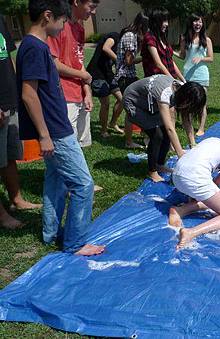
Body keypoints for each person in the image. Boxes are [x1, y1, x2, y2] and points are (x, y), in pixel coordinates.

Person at [18, 0, 104, 255]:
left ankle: (51, 231)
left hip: (56, 125)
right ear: (47, 16)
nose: (64, 25)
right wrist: (44, 135)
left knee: (55, 180)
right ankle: (76, 242)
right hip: (56, 130)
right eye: (62, 20)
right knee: (82, 184)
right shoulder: (34, 48)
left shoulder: (36, 46)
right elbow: (28, 95)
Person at [168, 131, 220, 249]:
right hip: (194, 178)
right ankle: (191, 232)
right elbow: (217, 183)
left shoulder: (213, 140)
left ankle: (180, 210)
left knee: (210, 200)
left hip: (176, 176)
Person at [0, 14, 43, 229]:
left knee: (8, 155)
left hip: (9, 97)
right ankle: (1, 215)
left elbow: (7, 58)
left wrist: (18, 89)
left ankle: (16, 199)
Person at [122, 75, 205, 182]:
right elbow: (170, 128)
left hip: (149, 102)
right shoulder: (165, 93)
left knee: (165, 134)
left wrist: (192, 144)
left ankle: (159, 164)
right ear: (186, 98)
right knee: (157, 135)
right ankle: (152, 171)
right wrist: (180, 154)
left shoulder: (183, 89)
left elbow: (186, 120)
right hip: (133, 101)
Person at [47, 0, 99, 148]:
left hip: (79, 93)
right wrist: (83, 76)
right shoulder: (57, 26)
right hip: (63, 93)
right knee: (66, 145)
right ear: (76, 2)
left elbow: (79, 62)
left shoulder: (80, 29)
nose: (93, 12)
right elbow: (53, 64)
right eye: (91, 6)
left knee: (79, 146)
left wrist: (87, 91)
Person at [115, 11, 148, 149]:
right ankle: (129, 141)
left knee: (138, 104)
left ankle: (143, 134)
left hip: (129, 76)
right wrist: (145, 58)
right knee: (132, 108)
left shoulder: (133, 35)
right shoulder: (130, 36)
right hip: (125, 76)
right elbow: (129, 61)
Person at [179, 13, 213, 137]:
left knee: (202, 103)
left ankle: (201, 128)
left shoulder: (206, 40)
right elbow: (183, 56)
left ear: (202, 24)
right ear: (191, 23)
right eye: (195, 21)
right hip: (187, 75)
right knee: (188, 102)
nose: (197, 24)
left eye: (200, 22)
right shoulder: (184, 38)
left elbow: (211, 58)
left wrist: (201, 58)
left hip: (202, 75)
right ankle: (188, 124)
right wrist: (170, 52)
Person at [87, 31, 124, 138]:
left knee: (123, 99)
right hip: (97, 74)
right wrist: (119, 61)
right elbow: (106, 48)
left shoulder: (123, 46)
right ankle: (103, 131)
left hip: (108, 74)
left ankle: (112, 123)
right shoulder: (114, 36)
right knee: (105, 103)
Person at [141, 8, 184, 82]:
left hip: (168, 79)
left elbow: (170, 61)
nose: (167, 24)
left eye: (167, 21)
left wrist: (182, 79)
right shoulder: (150, 37)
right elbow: (158, 64)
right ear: (156, 21)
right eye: (164, 21)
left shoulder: (163, 38)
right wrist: (173, 81)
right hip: (156, 81)